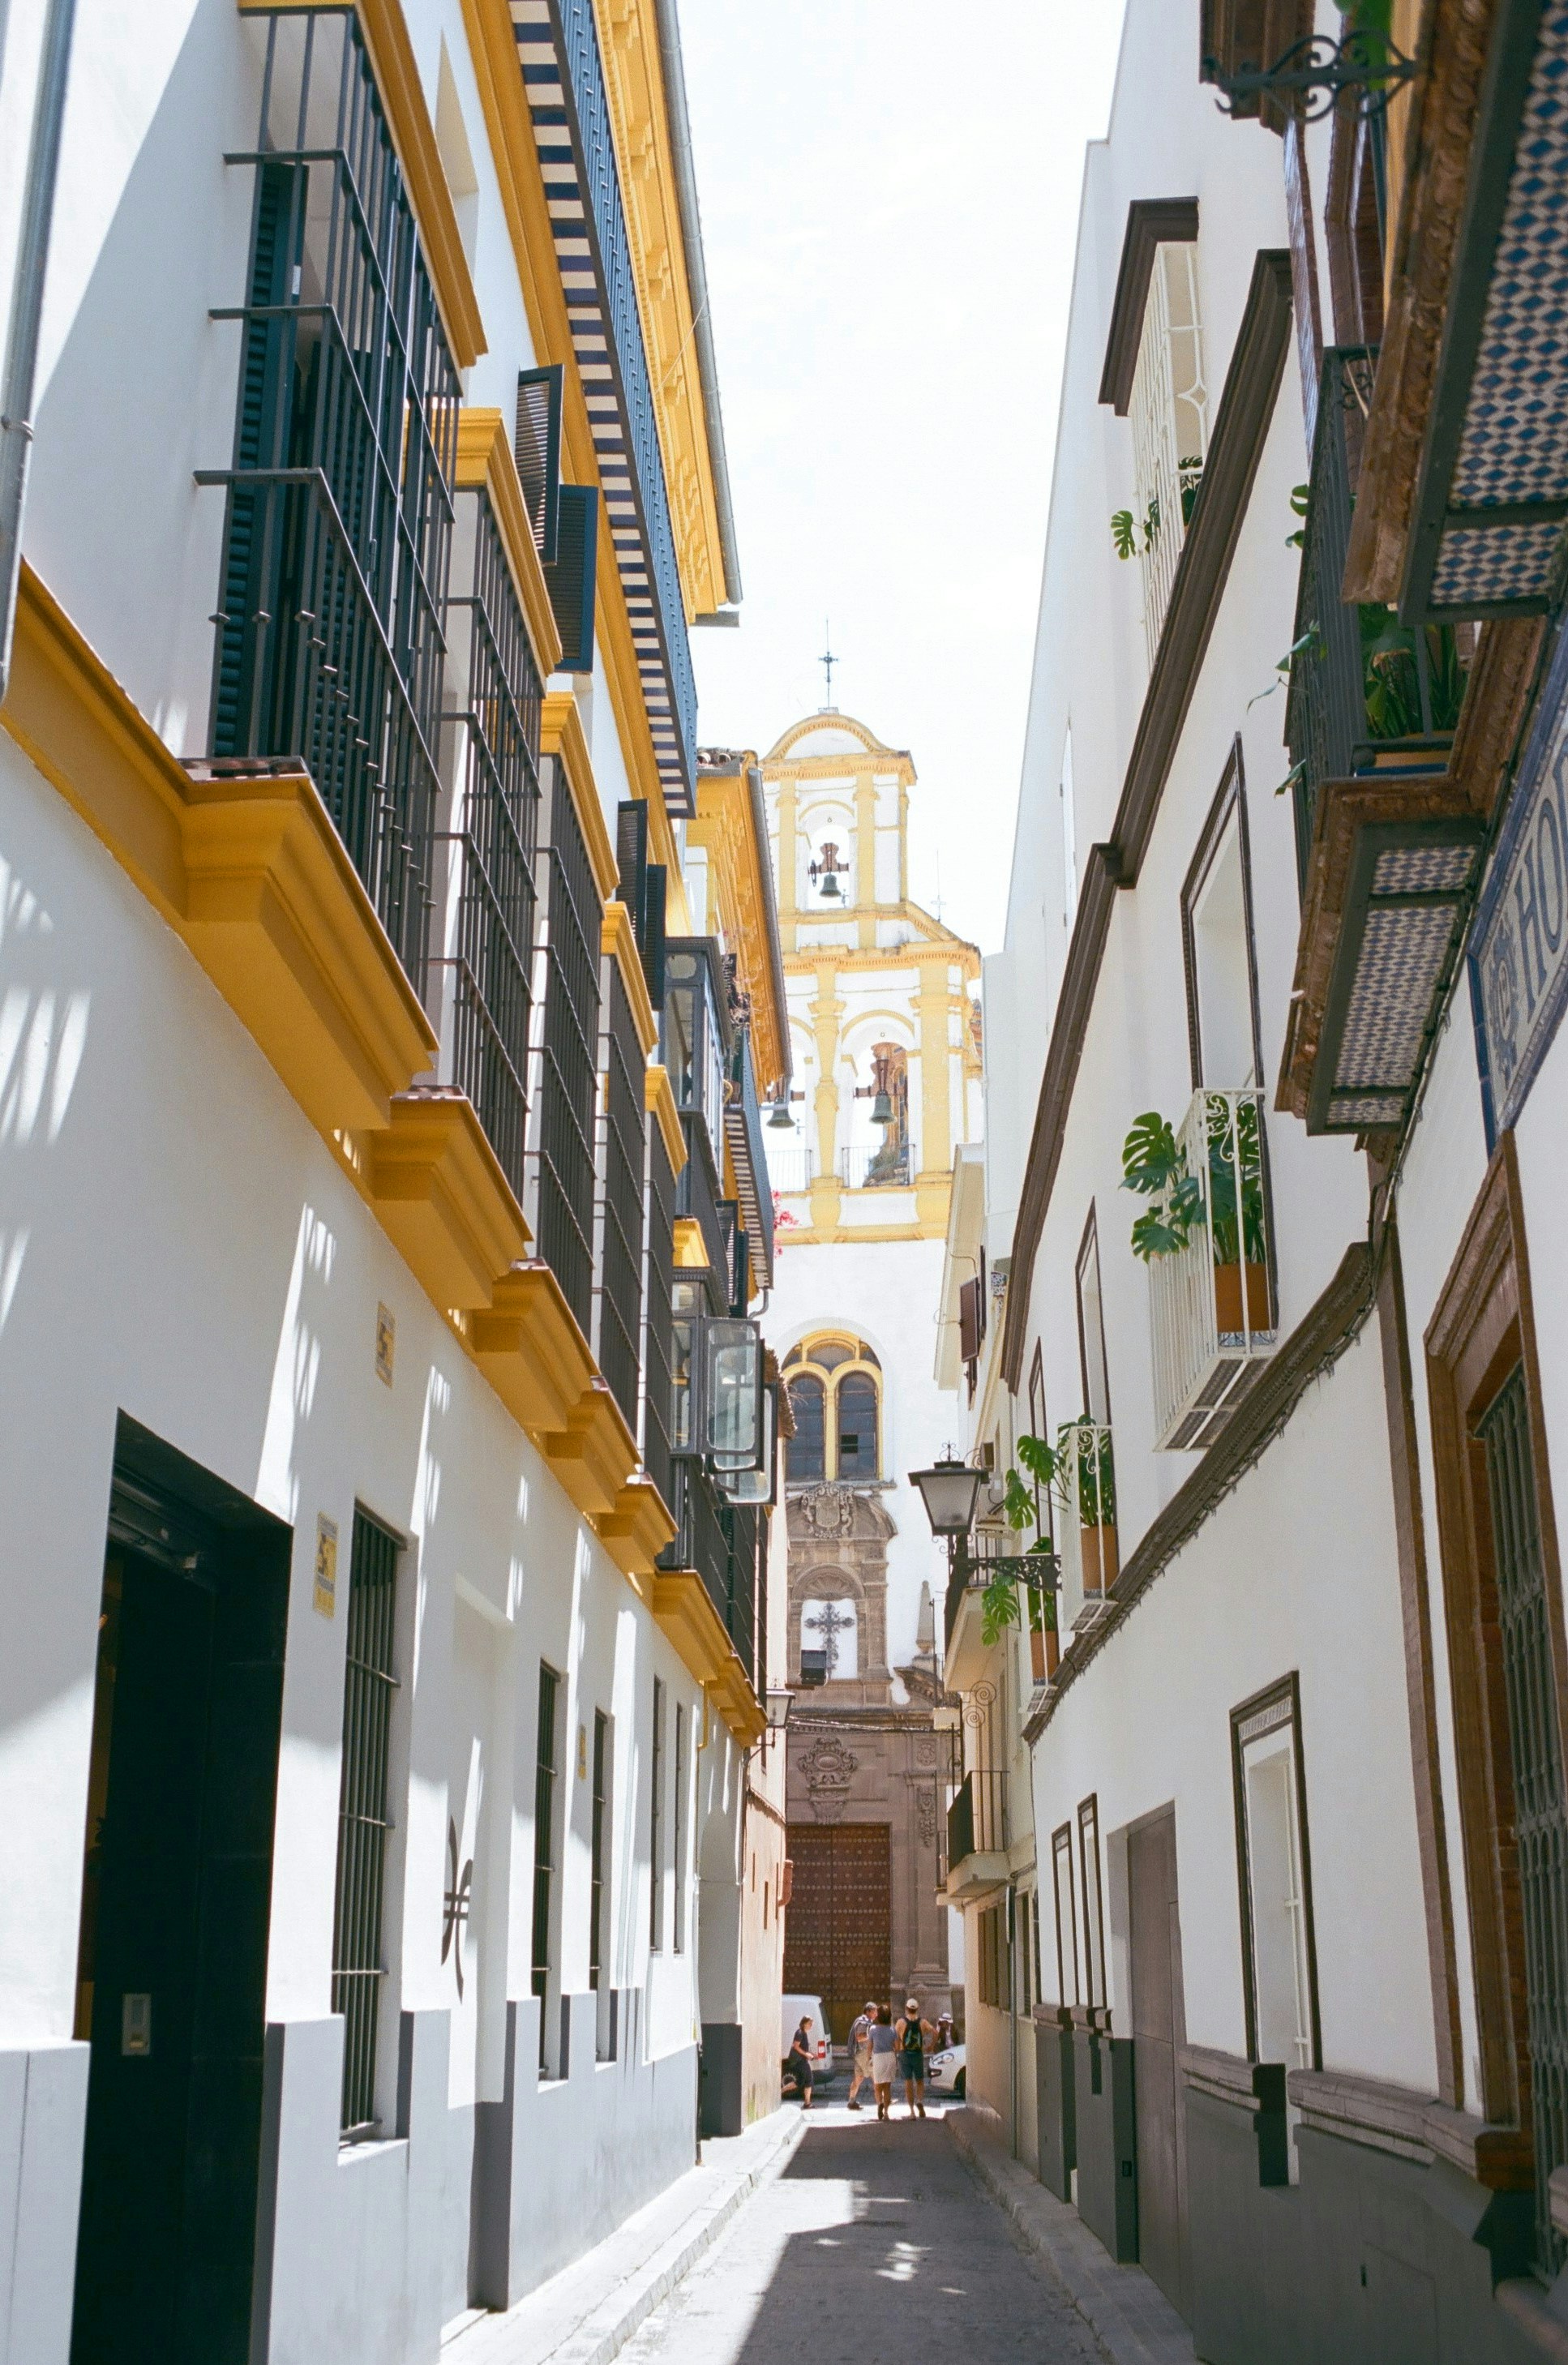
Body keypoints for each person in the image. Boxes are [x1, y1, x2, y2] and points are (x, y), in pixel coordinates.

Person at [894, 1995, 936, 2119]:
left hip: (905, 2053)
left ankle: (912, 2111)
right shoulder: (922, 2022)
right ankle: (920, 2101)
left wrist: (897, 2049)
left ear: (906, 2009)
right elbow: (935, 2032)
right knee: (919, 2080)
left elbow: (895, 2037)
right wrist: (930, 2046)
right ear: (917, 2009)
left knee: (908, 2081)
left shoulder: (900, 2022)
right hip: (918, 2054)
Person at [846, 1999, 876, 2110]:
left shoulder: (864, 2020)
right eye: (874, 2012)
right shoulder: (864, 2021)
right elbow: (860, 2037)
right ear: (868, 2011)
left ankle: (851, 2101)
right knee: (876, 2076)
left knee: (858, 2078)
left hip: (860, 2053)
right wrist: (873, 2037)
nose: (876, 2014)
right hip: (864, 2053)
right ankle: (883, 2101)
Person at [869, 2004, 898, 2120]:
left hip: (878, 2058)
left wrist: (868, 2059)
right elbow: (897, 2046)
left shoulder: (873, 2029)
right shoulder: (892, 2029)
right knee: (887, 2087)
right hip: (889, 2057)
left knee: (877, 2086)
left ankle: (879, 2103)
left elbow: (870, 2046)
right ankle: (886, 2114)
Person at [783, 2016, 816, 2108]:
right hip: (800, 2061)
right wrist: (806, 2055)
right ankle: (807, 2103)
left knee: (800, 2082)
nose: (811, 2025)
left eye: (811, 2023)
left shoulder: (803, 2033)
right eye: (810, 2023)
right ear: (804, 2023)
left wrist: (812, 2054)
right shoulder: (800, 2033)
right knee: (808, 2080)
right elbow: (796, 2046)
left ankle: (780, 2092)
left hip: (802, 2060)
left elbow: (803, 2048)